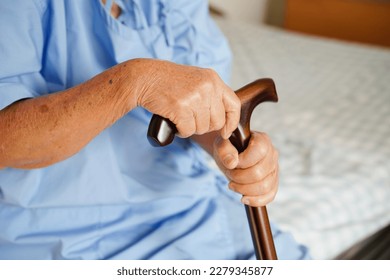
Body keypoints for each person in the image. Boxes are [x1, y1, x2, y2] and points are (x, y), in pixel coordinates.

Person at [0, 0, 310, 259]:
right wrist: (133, 82)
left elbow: (200, 101)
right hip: (56, 236)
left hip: (189, 210)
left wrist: (235, 149)